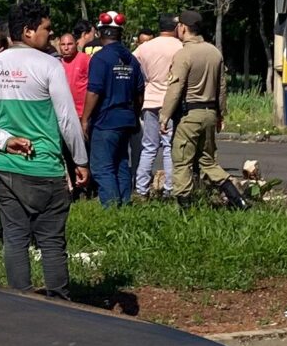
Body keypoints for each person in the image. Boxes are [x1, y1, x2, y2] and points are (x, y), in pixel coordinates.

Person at [0, 0, 90, 295]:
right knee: (51, 242)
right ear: (29, 31)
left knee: (15, 240)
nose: (51, 34)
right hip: (46, 169)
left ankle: (19, 303)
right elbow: (67, 120)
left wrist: (4, 141)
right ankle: (59, 302)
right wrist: (81, 161)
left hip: (7, 172)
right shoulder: (49, 65)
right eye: (47, 28)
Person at [164, 11, 234, 206]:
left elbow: (175, 89)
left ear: (183, 27)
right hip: (210, 113)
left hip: (189, 115)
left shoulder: (183, 54)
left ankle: (185, 207)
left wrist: (164, 116)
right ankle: (238, 199)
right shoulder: (214, 52)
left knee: (182, 161)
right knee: (208, 161)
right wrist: (220, 114)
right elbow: (221, 88)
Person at [81, 12, 143, 206]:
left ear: (100, 32)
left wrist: (85, 119)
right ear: (120, 34)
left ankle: (111, 208)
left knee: (102, 167)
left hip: (106, 120)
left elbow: (94, 91)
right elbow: (140, 92)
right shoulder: (131, 59)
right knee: (121, 163)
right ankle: (124, 204)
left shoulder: (100, 59)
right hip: (126, 118)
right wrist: (134, 112)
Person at [132, 15, 183, 200]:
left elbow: (132, 66)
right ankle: (170, 189)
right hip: (171, 101)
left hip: (149, 100)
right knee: (169, 147)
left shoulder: (145, 47)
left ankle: (141, 188)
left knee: (149, 147)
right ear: (176, 27)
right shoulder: (180, 47)